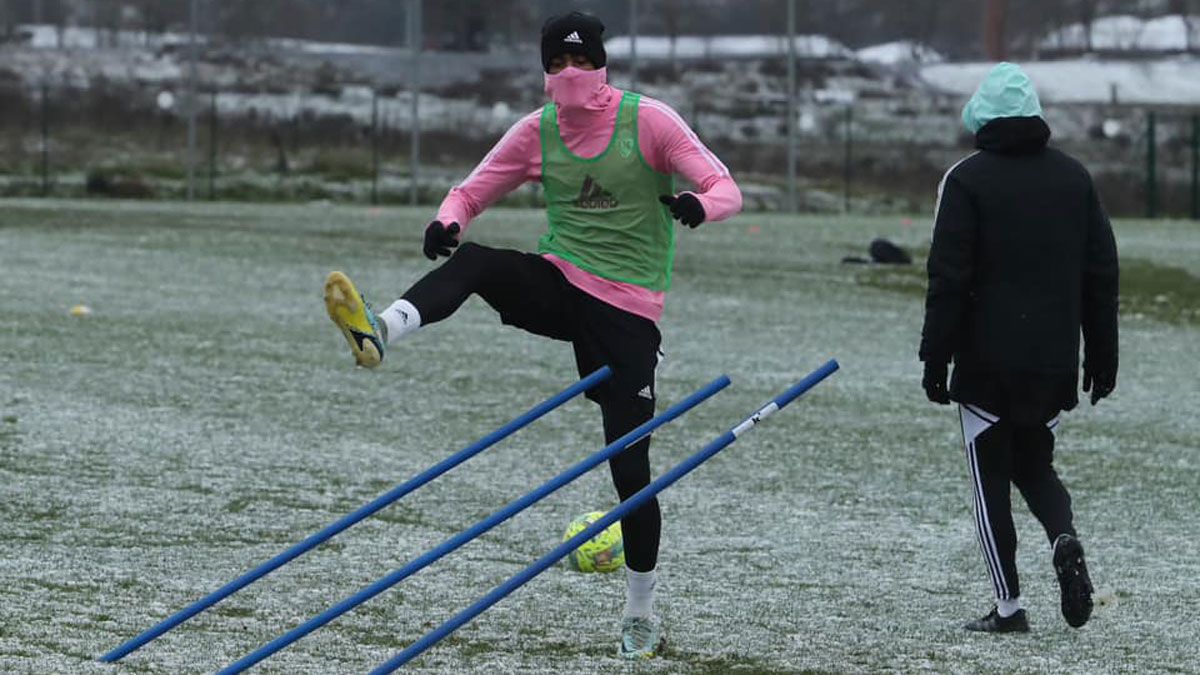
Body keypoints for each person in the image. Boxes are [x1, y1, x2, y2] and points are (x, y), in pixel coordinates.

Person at [323, 10, 742, 658]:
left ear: (602, 64)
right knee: (478, 260)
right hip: (562, 284)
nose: (570, 74)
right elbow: (470, 192)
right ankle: (380, 330)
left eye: (581, 61)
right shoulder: (537, 131)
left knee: (631, 468)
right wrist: (445, 222)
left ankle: (640, 613)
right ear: (544, 70)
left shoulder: (648, 121)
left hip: (629, 313)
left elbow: (725, 186)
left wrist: (698, 205)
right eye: (556, 63)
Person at [919, 63, 1118, 633]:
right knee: (1036, 464)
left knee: (990, 483)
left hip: (986, 362)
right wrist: (1102, 358)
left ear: (981, 116)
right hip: (1053, 359)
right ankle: (1063, 537)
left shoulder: (966, 180)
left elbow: (948, 277)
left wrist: (936, 356)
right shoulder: (1075, 178)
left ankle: (1008, 606)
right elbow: (1102, 274)